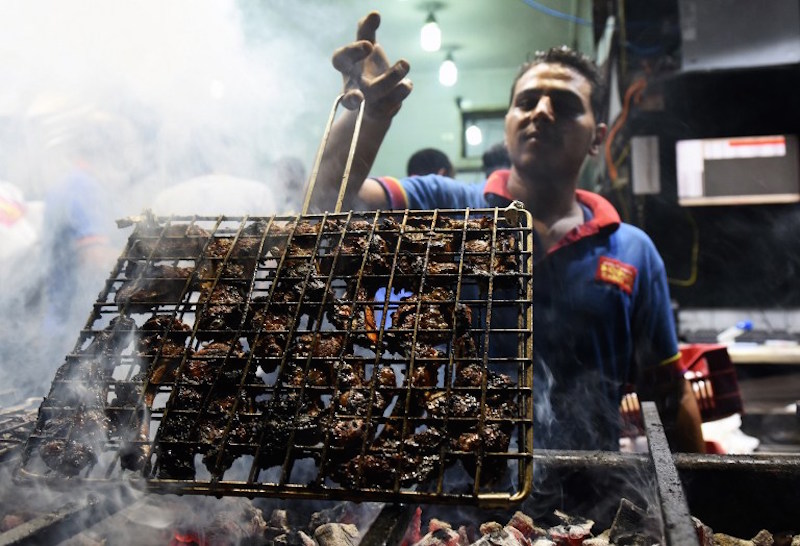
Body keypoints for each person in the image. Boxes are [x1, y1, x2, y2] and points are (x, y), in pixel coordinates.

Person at [312, 12, 704, 453]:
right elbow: (328, 207)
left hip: (591, 505)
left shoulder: (632, 250)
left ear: (597, 138)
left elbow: (669, 391)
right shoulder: (446, 204)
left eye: (566, 104)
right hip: (451, 496)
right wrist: (367, 119)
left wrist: (695, 503)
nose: (541, 111)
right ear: (510, 121)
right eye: (527, 101)